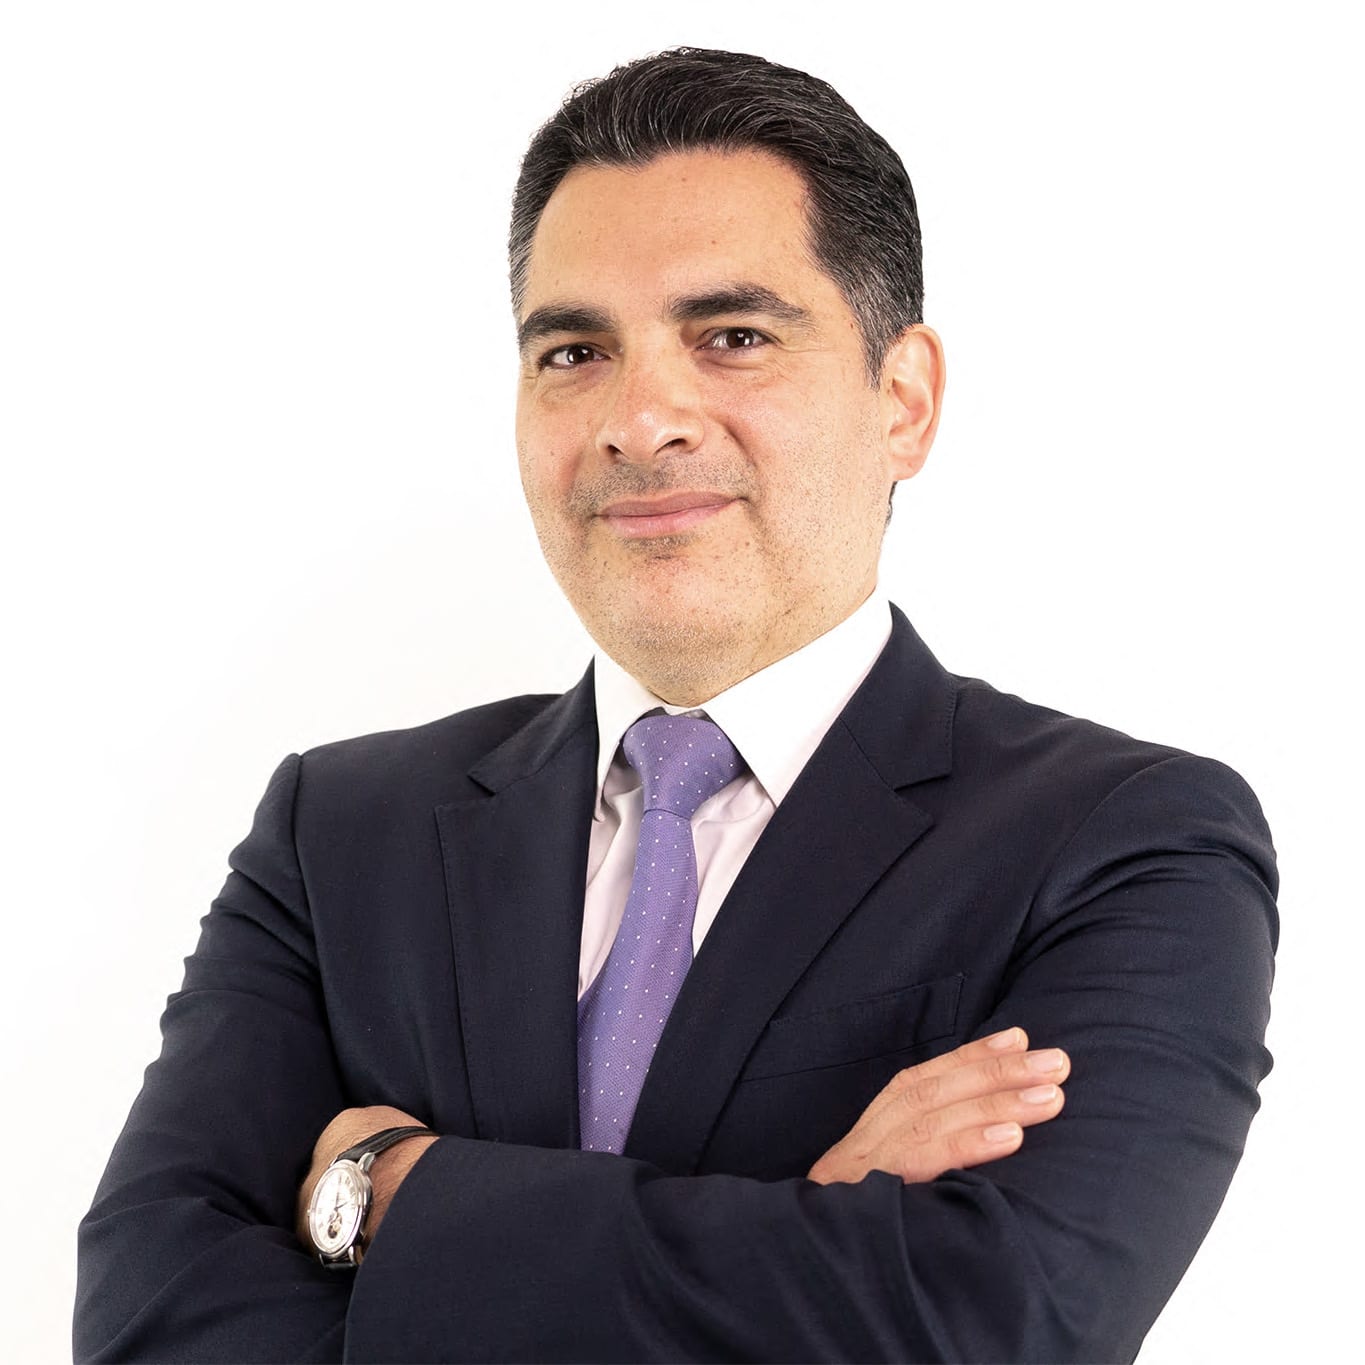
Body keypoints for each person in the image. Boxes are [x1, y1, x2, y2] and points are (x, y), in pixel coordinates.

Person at [75, 47, 1278, 1363]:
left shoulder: (1125, 843)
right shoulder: (340, 828)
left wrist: (397, 1192)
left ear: (903, 400)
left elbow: (988, 1325)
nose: (640, 419)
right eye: (575, 350)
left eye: (733, 337)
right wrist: (806, 1222)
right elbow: (149, 1319)